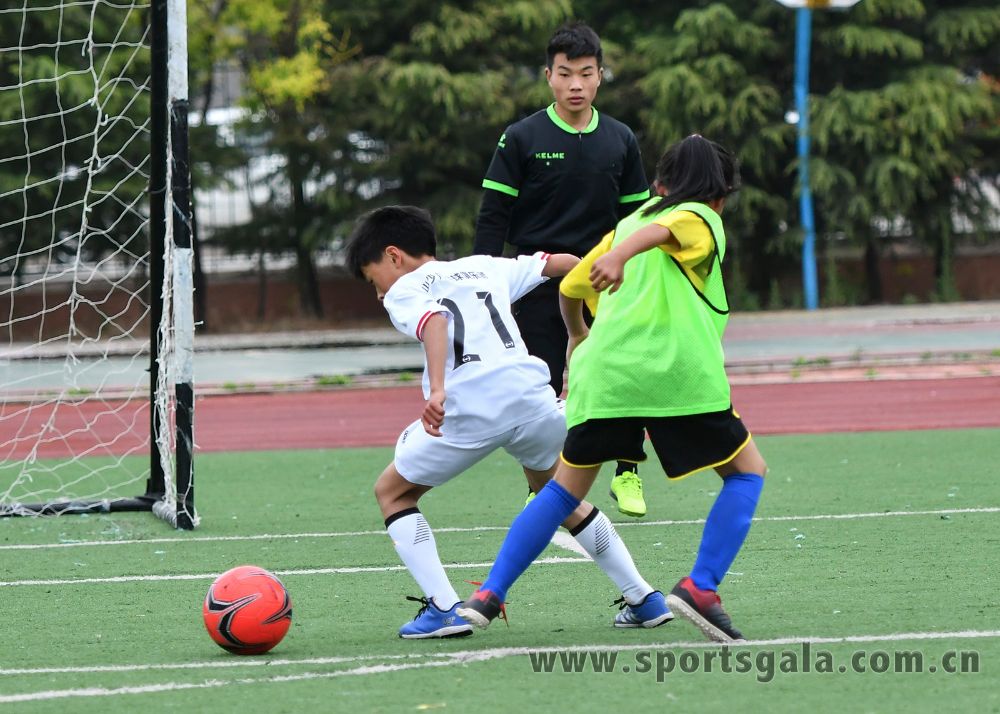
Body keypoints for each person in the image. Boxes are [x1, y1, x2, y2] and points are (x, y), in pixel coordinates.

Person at [458, 136, 767, 643]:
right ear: (720, 193)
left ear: (659, 184)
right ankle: (701, 587)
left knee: (561, 492)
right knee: (747, 472)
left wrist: (577, 334)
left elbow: (570, 286)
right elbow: (669, 228)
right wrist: (623, 254)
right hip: (674, 374)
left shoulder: (628, 221)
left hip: (605, 375)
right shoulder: (700, 216)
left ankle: (488, 594)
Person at [344, 205, 671, 639]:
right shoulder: (484, 266)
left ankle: (443, 608)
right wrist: (593, 313)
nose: (378, 293)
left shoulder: (405, 289)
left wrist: (438, 390)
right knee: (558, 496)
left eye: (373, 280)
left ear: (393, 256)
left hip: (471, 410)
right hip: (533, 399)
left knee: (392, 492)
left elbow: (435, 321)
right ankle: (644, 598)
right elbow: (566, 265)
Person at [473, 21, 651, 517]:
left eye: (586, 74)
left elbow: (638, 219)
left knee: (622, 378)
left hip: (606, 281)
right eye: (566, 73)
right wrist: (483, 283)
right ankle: (541, 488)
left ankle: (627, 471)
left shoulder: (620, 139)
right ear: (548, 76)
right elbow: (493, 217)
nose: (576, 84)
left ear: (600, 77)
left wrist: (637, 275)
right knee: (541, 387)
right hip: (538, 282)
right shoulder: (521, 137)